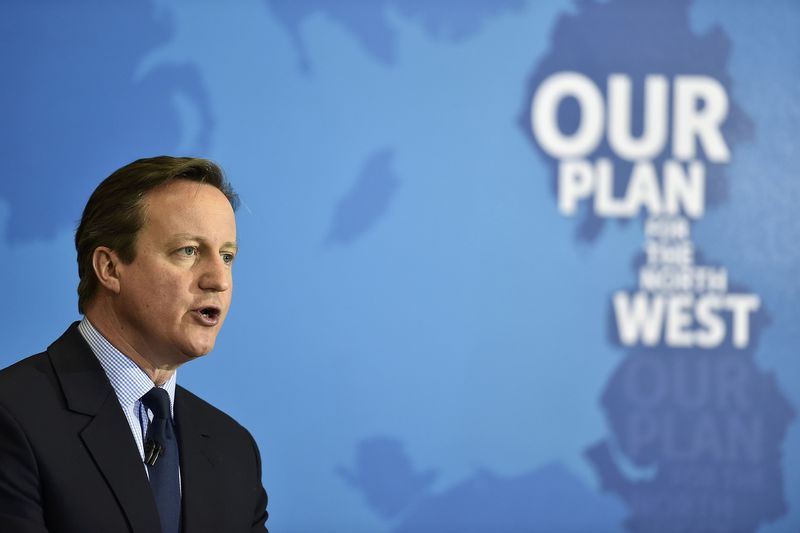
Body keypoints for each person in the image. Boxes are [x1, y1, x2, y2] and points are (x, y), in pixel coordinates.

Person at [0, 157, 269, 532]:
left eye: (227, 256)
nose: (219, 280)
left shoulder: (233, 450)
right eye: (189, 251)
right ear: (110, 268)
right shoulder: (13, 416)